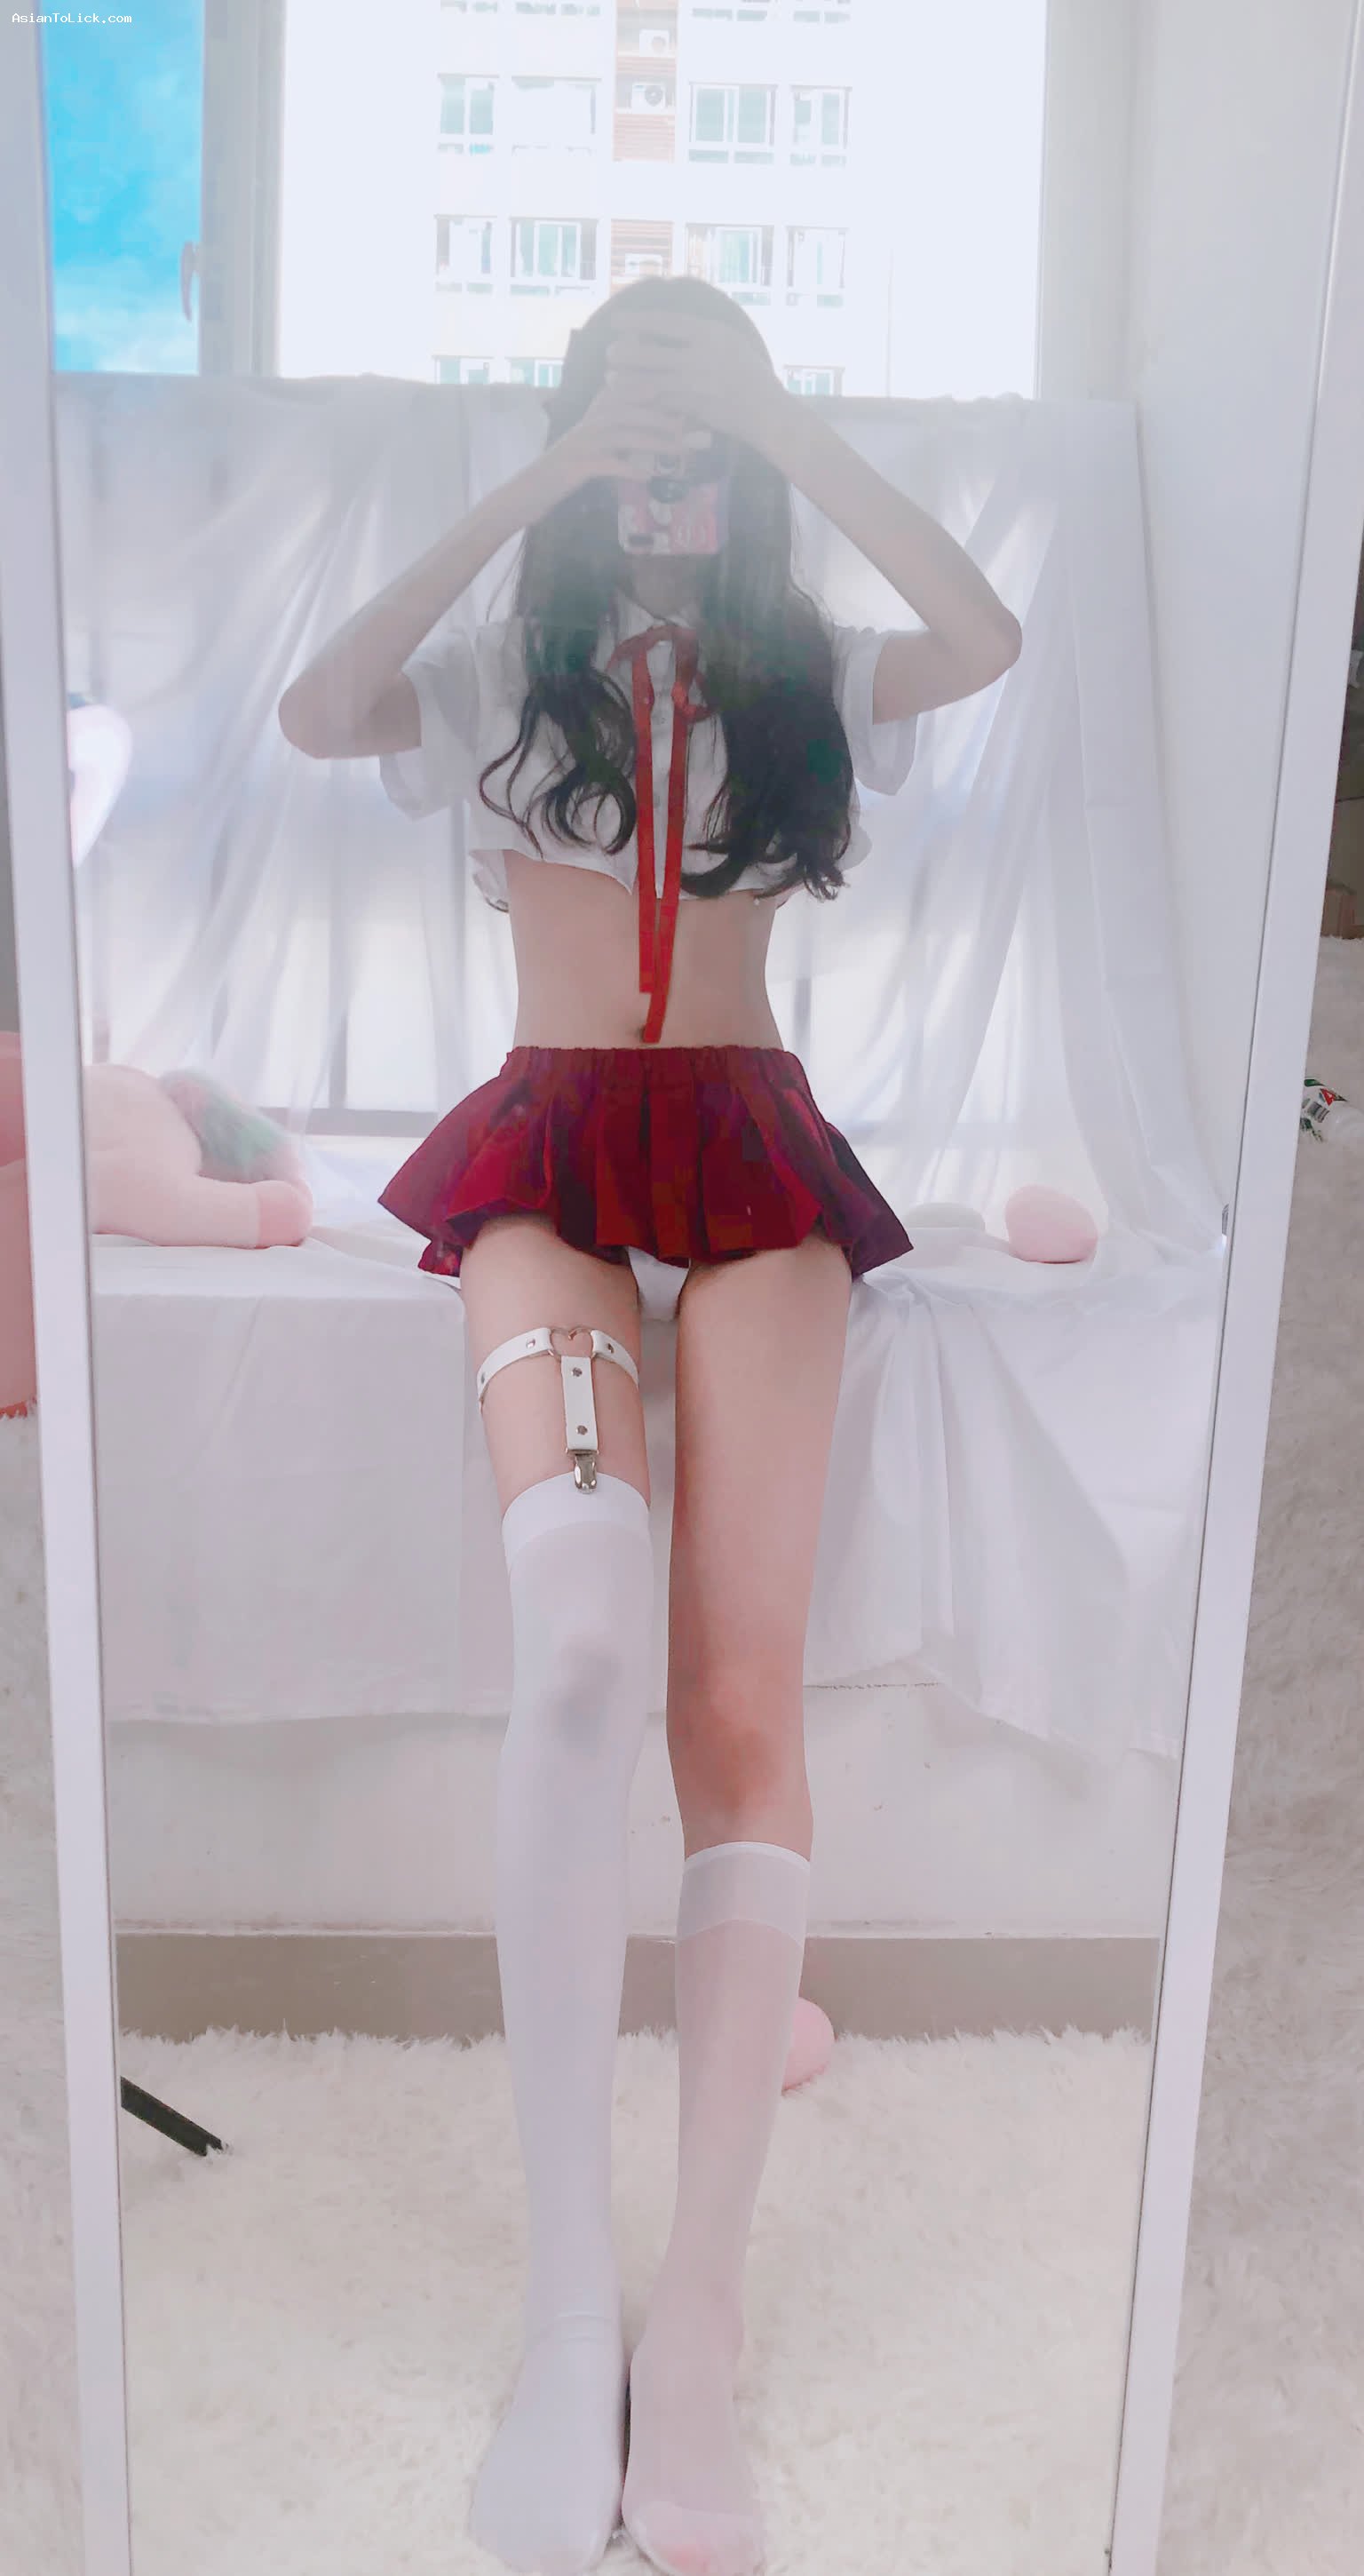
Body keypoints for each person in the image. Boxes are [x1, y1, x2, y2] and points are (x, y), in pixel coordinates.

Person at [279, 277, 1020, 2576]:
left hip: (757, 1163)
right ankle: (563, 2301)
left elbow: (984, 632)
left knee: (734, 1700)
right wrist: (557, 468)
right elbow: (314, 703)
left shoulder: (813, 680)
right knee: (583, 1637)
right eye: (637, 415)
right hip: (547, 1163)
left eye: (704, 424)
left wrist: (776, 428)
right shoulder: (503, 673)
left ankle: (695, 2312)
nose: (671, 464)